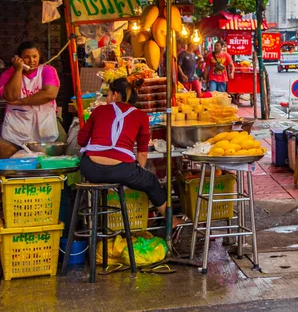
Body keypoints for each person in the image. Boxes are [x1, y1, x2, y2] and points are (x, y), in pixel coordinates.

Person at [77, 78, 174, 223]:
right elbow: (142, 152)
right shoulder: (141, 116)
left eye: (108, 95)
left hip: (90, 169)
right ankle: (170, 221)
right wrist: (138, 173)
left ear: (116, 95)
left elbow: (81, 140)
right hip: (122, 170)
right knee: (151, 182)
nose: (107, 99)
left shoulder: (99, 110)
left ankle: (100, 223)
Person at [0, 41, 60, 158]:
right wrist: (18, 70)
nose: (31, 61)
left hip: (45, 130)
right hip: (15, 133)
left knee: (58, 152)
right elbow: (11, 96)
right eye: (26, 57)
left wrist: (20, 102)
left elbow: (49, 94)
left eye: (34, 57)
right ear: (19, 59)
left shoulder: (48, 70)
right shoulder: (9, 74)